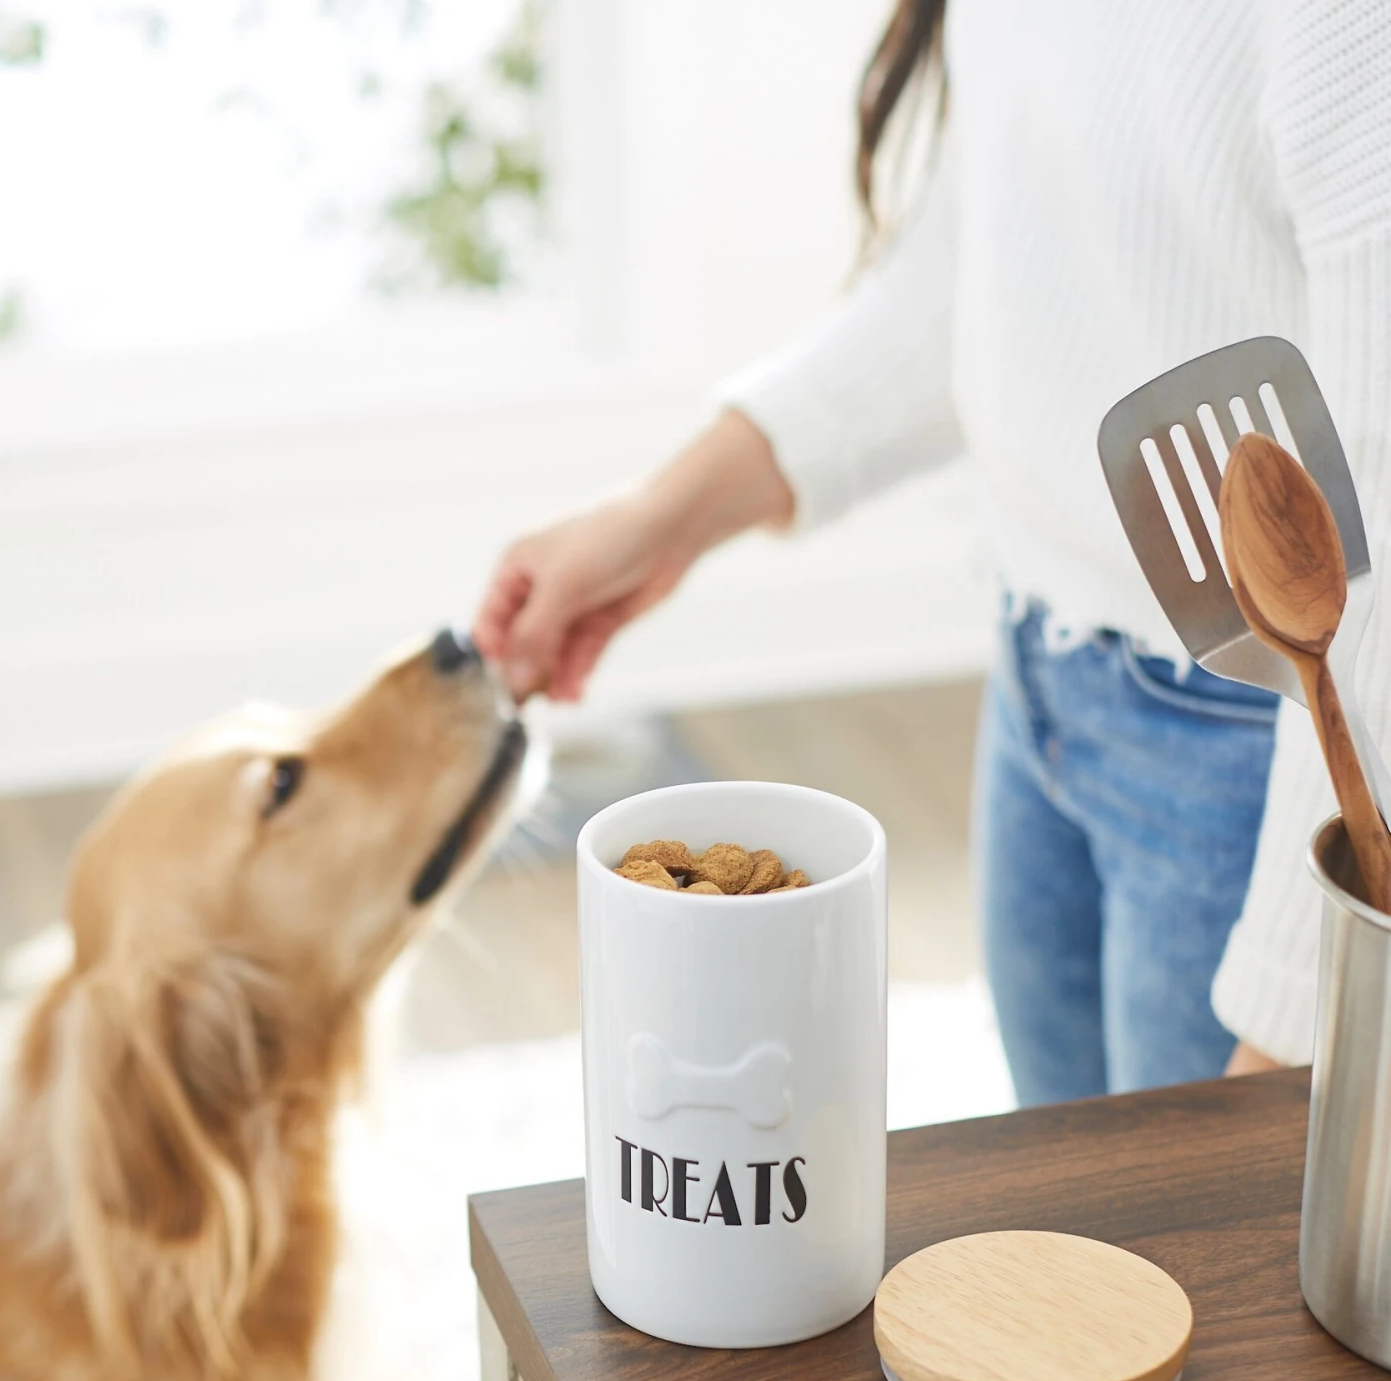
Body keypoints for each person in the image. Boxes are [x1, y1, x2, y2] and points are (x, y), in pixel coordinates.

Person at [473, 1, 1391, 1105]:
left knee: (1194, 1260)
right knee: (1069, 1234)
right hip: (1036, 687)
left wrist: (1303, 1002)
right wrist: (657, 521)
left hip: (1274, 745)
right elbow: (975, 280)